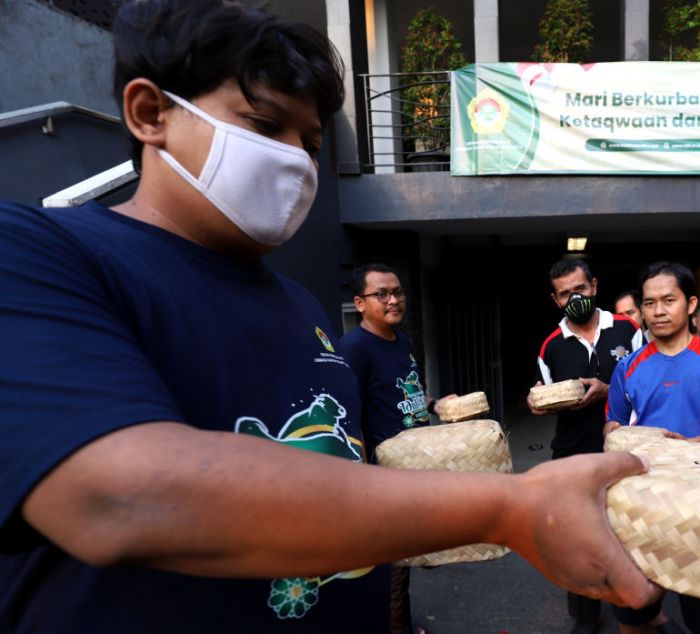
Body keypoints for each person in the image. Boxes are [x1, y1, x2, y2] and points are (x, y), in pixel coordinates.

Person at [0, 1, 662, 630]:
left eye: (311, 141)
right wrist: (511, 507)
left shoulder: (298, 304)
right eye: (264, 125)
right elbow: (116, 496)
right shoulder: (41, 255)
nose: (294, 158)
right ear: (149, 113)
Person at [605, 262, 700, 634]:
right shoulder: (628, 367)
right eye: (650, 302)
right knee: (632, 608)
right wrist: (619, 439)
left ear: (691, 304)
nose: (658, 310)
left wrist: (681, 448)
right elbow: (613, 425)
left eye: (669, 300)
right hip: (642, 500)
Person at [529, 259, 644, 634]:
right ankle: (585, 616)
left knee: (625, 531)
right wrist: (537, 403)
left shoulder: (628, 330)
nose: (573, 298)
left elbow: (647, 385)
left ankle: (634, 604)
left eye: (579, 289)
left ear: (593, 286)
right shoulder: (551, 347)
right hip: (572, 452)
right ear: (555, 299)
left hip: (622, 450)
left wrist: (609, 391)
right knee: (575, 537)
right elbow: (545, 397)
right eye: (565, 294)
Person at [340, 263, 456, 634]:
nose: (393, 300)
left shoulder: (402, 340)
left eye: (398, 292)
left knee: (403, 559)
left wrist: (436, 404)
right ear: (360, 303)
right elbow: (349, 414)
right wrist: (362, 474)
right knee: (392, 564)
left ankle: (400, 623)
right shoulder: (355, 349)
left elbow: (406, 395)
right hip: (383, 472)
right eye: (382, 294)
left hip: (413, 465)